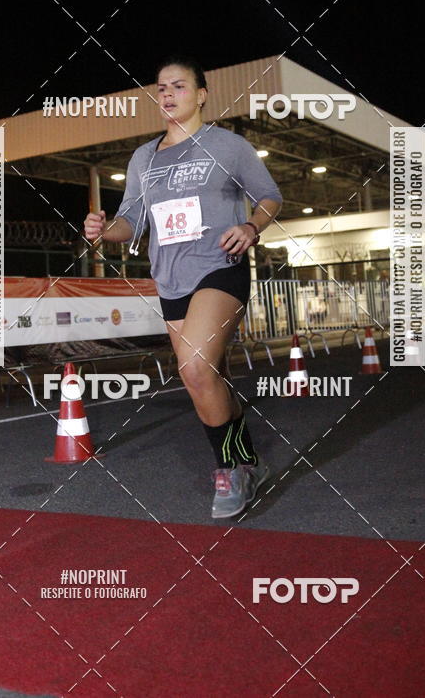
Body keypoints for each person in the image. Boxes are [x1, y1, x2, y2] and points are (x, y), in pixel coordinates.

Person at [84, 56, 283, 518]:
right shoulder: (143, 158)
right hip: (169, 276)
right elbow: (131, 223)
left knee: (194, 369)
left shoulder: (228, 146)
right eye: (161, 88)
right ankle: (249, 461)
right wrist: (101, 228)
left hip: (220, 265)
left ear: (201, 94)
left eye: (178, 85)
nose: (168, 94)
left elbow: (270, 195)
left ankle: (230, 470)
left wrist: (252, 227)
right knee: (204, 379)